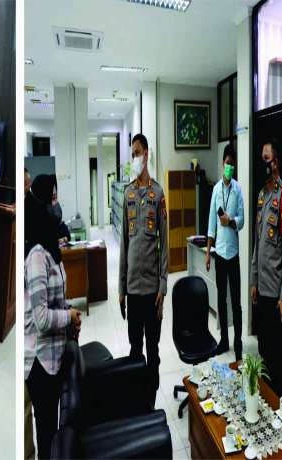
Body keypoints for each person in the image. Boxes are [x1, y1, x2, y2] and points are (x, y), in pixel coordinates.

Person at [25, 198, 82, 460]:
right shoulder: (37, 256)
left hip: (55, 355)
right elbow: (41, 318)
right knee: (47, 435)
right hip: (41, 361)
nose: (57, 205)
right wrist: (67, 316)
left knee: (57, 431)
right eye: (52, 199)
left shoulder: (52, 252)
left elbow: (56, 301)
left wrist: (70, 315)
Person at [118, 133, 167, 403]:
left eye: (137, 153)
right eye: (132, 154)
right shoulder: (128, 194)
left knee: (153, 349)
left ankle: (152, 399)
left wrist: (163, 286)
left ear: (147, 154)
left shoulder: (157, 194)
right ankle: (137, 400)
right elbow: (124, 246)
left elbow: (165, 243)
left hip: (152, 291)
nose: (134, 158)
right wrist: (120, 288)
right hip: (133, 290)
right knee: (135, 348)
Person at [250, 139, 282, 397]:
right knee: (263, 348)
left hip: (277, 291)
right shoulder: (262, 194)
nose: (263, 164)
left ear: (275, 163)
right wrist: (253, 281)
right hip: (262, 288)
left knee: (278, 355)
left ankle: (279, 402)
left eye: (266, 159)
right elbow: (258, 243)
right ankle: (265, 399)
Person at [206, 144, 245, 360]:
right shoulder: (216, 190)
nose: (229, 166)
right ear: (222, 163)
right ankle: (224, 340)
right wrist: (208, 252)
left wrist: (231, 221)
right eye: (227, 163)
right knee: (221, 299)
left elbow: (242, 220)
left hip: (233, 253)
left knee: (236, 302)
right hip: (220, 253)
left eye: (232, 164)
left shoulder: (238, 190)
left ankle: (238, 343)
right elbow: (211, 223)